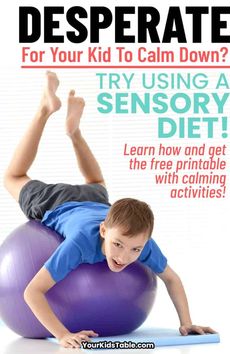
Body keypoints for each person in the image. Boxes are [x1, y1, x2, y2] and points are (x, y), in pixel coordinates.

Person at [3, 72, 216, 349]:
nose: (124, 256)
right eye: (117, 244)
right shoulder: (81, 243)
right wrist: (62, 334)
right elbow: (32, 292)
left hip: (97, 200)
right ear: (103, 230)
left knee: (96, 184)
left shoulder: (141, 242)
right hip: (56, 202)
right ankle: (46, 110)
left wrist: (186, 322)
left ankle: (74, 132)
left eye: (134, 250)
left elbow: (172, 279)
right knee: (12, 177)